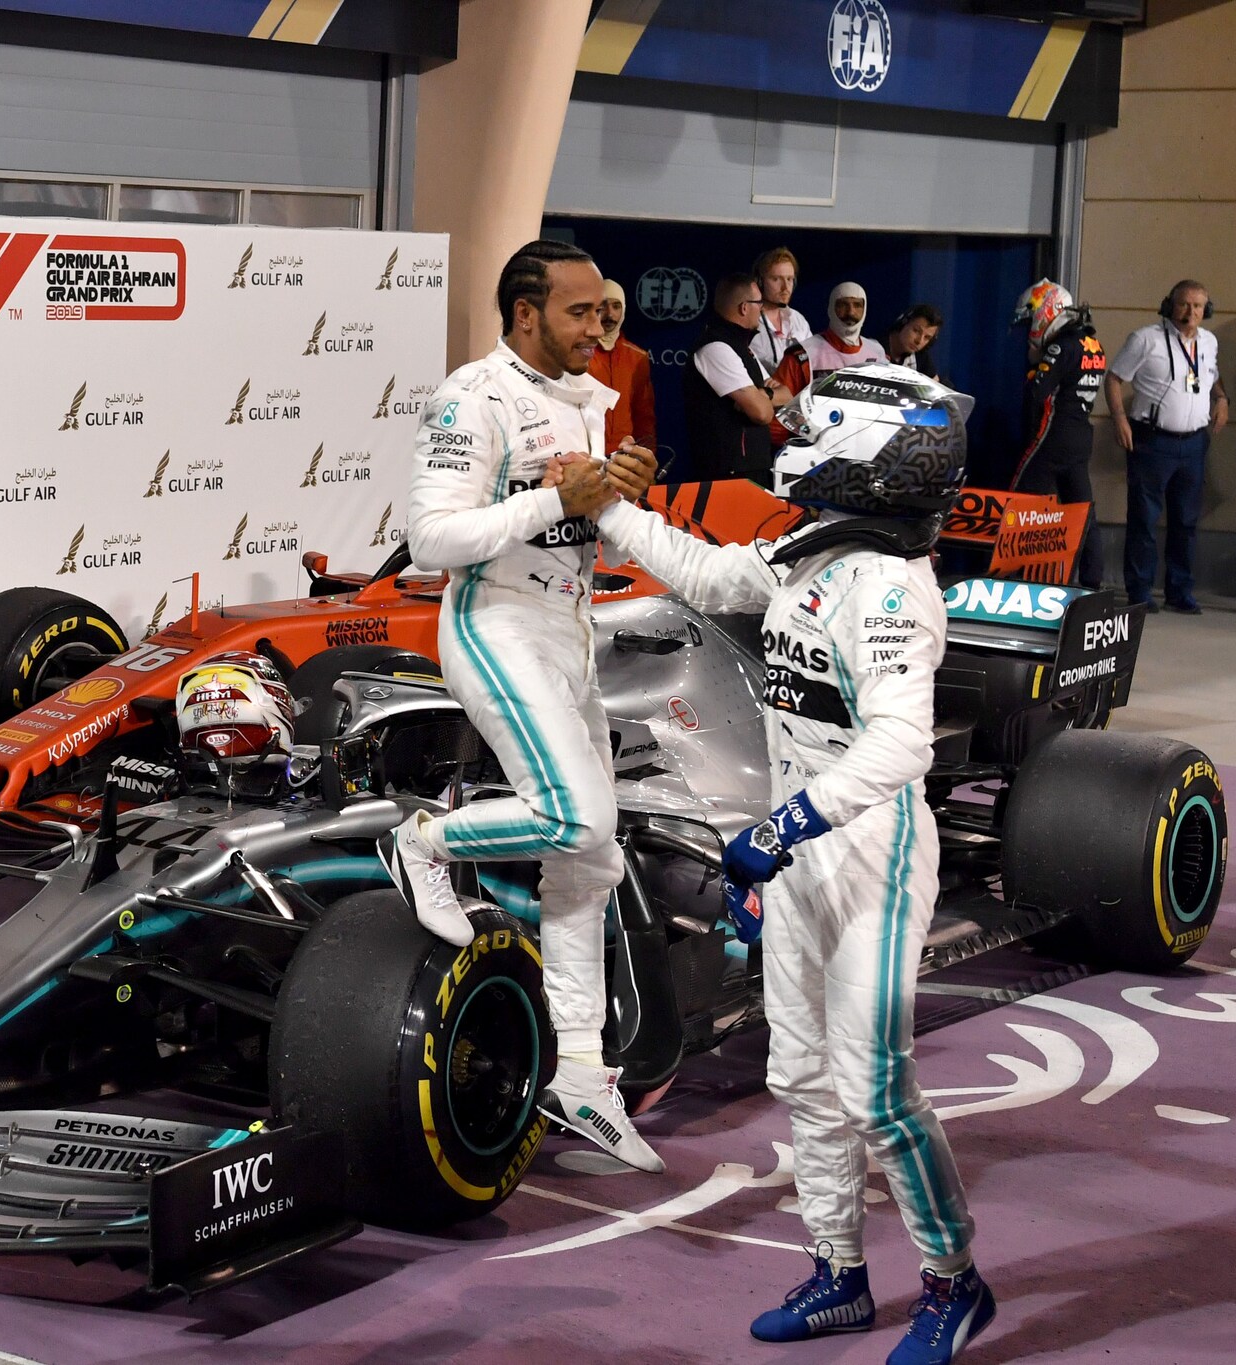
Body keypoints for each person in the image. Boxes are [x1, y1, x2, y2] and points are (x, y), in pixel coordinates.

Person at [567, 361, 994, 1364]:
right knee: (799, 1072)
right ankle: (837, 1272)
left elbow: (901, 747)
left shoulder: (887, 587)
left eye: (809, 427)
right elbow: (714, 577)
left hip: (870, 854)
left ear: (862, 453)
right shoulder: (820, 549)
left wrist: (779, 828)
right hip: (799, 849)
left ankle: (953, 1282)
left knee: (874, 1088)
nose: (788, 439)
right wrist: (608, 509)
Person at [384, 237, 665, 1173]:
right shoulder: (474, 394)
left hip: (570, 630)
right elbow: (432, 537)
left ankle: (580, 1072)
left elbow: (582, 523)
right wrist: (556, 500)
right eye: (581, 313)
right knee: (578, 816)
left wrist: (619, 496)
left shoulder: (587, 398)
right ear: (525, 312)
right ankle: (424, 842)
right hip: (494, 623)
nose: (599, 328)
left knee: (588, 858)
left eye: (603, 312)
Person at [1105, 279, 1228, 613]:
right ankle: (1140, 590)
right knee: (1144, 518)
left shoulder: (1209, 342)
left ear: (1207, 309)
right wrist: (1119, 418)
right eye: (1184, 304)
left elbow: (1211, 373)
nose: (1191, 312)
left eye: (1198, 306)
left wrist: (1221, 397)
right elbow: (1113, 378)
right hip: (1153, 440)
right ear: (1169, 305)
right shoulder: (1146, 339)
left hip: (1194, 443)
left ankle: (1179, 590)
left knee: (1186, 521)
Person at [1009, 280, 1107, 588]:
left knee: (1019, 503)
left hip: (1053, 435)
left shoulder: (1059, 346)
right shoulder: (1093, 344)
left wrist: (1034, 366)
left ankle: (1009, 578)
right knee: (1084, 512)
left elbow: (1037, 393)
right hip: (1081, 438)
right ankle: (1092, 583)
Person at [682, 271, 793, 486]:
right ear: (744, 307)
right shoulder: (716, 348)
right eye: (759, 303)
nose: (762, 309)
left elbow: (787, 395)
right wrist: (762, 399)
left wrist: (762, 394)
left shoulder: (742, 349)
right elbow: (762, 413)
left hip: (753, 469)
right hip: (727, 477)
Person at [587, 278, 658, 454]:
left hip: (624, 456)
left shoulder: (637, 357)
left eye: (616, 306)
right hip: (584, 455)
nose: (610, 314)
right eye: (603, 306)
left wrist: (646, 455)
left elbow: (644, 415)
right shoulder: (576, 354)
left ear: (624, 309)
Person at [803, 282, 889, 379]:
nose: (851, 312)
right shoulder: (806, 352)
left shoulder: (876, 351)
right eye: (843, 305)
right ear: (831, 308)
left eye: (857, 305)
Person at [750, 246, 813, 375]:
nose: (785, 287)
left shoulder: (798, 319)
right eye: (776, 279)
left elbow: (813, 362)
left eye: (789, 279)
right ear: (760, 282)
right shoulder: (748, 321)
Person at [884, 304, 943, 379]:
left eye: (927, 337)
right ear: (903, 323)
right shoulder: (874, 347)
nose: (919, 341)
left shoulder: (920, 355)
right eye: (916, 331)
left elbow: (935, 381)